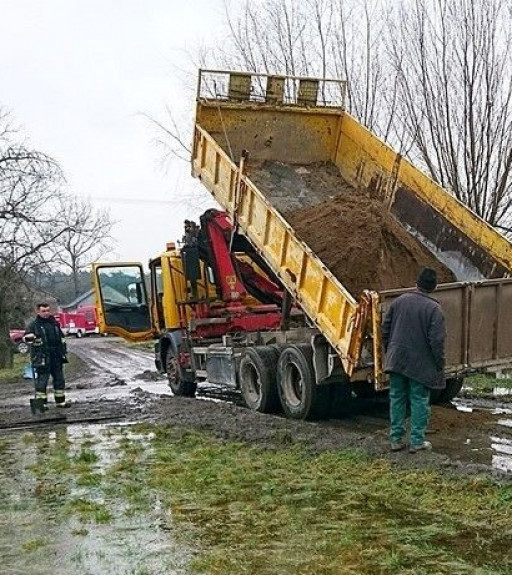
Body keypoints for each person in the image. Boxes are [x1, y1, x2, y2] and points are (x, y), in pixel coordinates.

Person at [381, 268, 446, 454]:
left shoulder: (399, 301)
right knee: (419, 400)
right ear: (433, 287)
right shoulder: (434, 309)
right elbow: (437, 341)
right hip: (419, 365)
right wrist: (439, 363)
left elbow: (385, 329)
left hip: (397, 360)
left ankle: (395, 439)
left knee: (397, 398)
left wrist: (391, 351)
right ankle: (417, 441)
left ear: (417, 282)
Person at [24, 303, 69, 409]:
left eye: (48, 310)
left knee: (59, 379)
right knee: (42, 381)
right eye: (43, 311)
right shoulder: (33, 325)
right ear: (38, 312)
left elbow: (62, 338)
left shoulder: (54, 324)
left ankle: (60, 402)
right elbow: (26, 337)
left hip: (56, 356)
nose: (46, 313)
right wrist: (29, 337)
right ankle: (41, 404)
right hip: (42, 357)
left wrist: (63, 351)